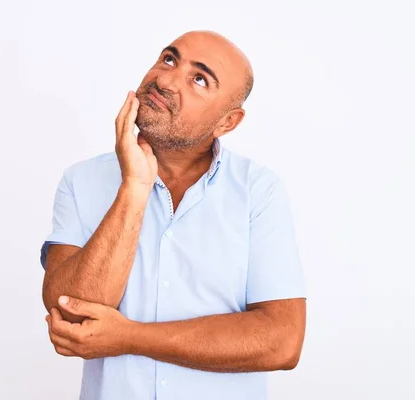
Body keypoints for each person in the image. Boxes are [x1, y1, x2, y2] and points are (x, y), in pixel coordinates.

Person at [40, 30, 307, 400]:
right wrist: (133, 189)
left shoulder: (258, 191)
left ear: (227, 122)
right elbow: (69, 315)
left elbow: (281, 341)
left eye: (199, 79)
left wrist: (128, 337)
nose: (165, 80)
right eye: (169, 59)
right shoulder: (81, 180)